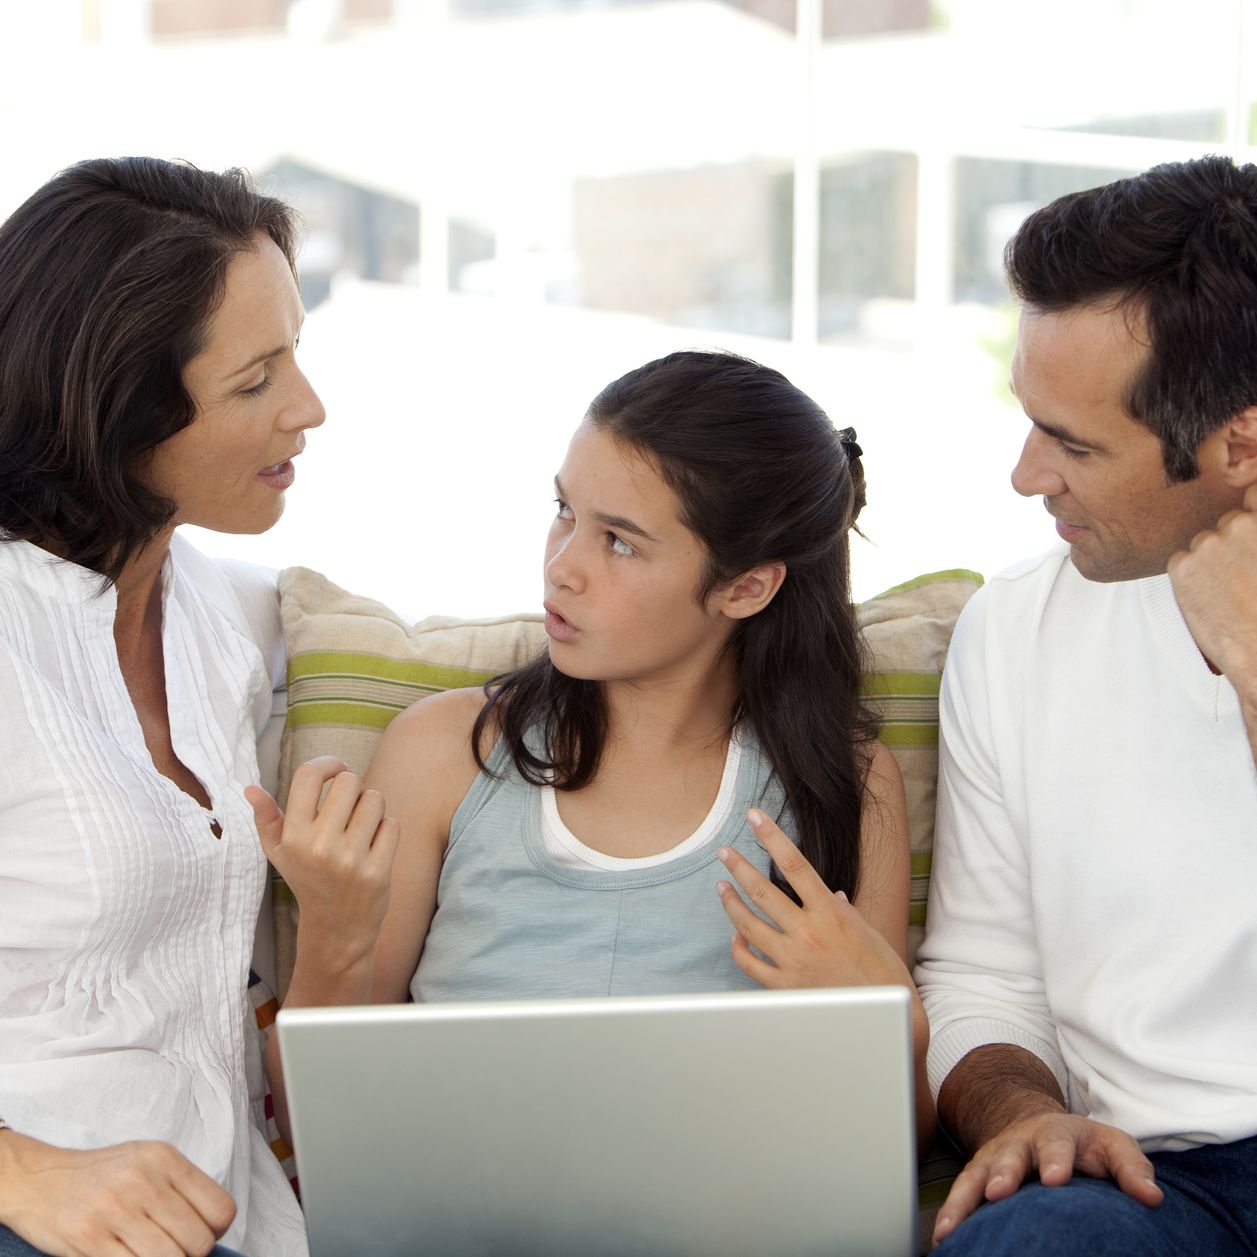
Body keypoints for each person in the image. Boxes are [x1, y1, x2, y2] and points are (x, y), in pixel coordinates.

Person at [253, 349, 933, 1149]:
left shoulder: (844, 784)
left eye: (619, 541)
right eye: (563, 511)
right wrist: (333, 927)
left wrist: (893, 1024)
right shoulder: (444, 752)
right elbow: (314, 1122)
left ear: (745, 586)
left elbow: (894, 1144)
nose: (560, 566)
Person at [914, 154, 1257, 1255]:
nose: (1026, 476)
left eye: (1072, 443)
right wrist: (1024, 1114)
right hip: (1158, 1185)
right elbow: (983, 975)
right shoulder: (1017, 630)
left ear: (1239, 444)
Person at [0, 157, 332, 1257]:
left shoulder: (219, 621)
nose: (309, 408)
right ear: (121, 413)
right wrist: (25, 1176)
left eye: (297, 354)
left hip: (219, 1218)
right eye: (255, 382)